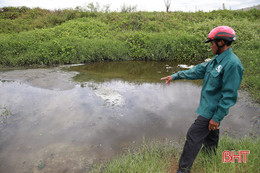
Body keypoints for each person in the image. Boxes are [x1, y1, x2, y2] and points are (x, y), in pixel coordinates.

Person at [161, 26, 243, 173]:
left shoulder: (232, 64)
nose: (210, 46)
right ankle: (209, 159)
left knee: (193, 135)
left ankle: (183, 170)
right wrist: (175, 76)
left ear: (221, 42)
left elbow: (229, 95)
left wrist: (216, 117)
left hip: (212, 110)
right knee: (211, 134)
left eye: (212, 43)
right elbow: (197, 70)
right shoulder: (216, 61)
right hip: (208, 107)